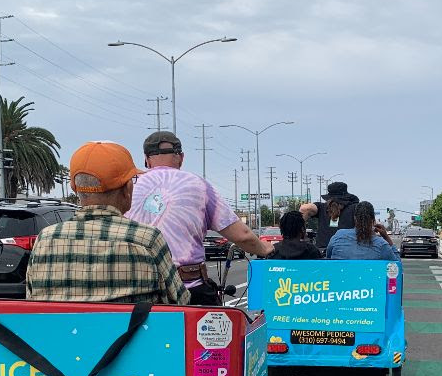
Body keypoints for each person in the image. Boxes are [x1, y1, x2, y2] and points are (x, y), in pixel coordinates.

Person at [26, 141, 189, 306]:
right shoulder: (147, 239)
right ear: (128, 189)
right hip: (133, 331)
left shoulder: (44, 240)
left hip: (59, 331)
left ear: (76, 189)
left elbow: (31, 301)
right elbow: (181, 301)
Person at [127, 131, 271, 305]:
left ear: (146, 159)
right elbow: (242, 236)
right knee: (219, 329)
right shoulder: (198, 185)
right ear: (181, 157)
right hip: (190, 288)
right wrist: (265, 249)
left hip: (138, 292)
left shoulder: (128, 188)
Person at [325, 201, 400, 261]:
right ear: (373, 220)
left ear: (355, 218)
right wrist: (387, 238)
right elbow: (396, 266)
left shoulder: (338, 236)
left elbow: (328, 257)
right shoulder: (381, 245)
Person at [301, 182, 359, 252]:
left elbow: (305, 208)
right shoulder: (354, 207)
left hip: (322, 251)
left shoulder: (322, 207)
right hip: (346, 251)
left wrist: (301, 232)